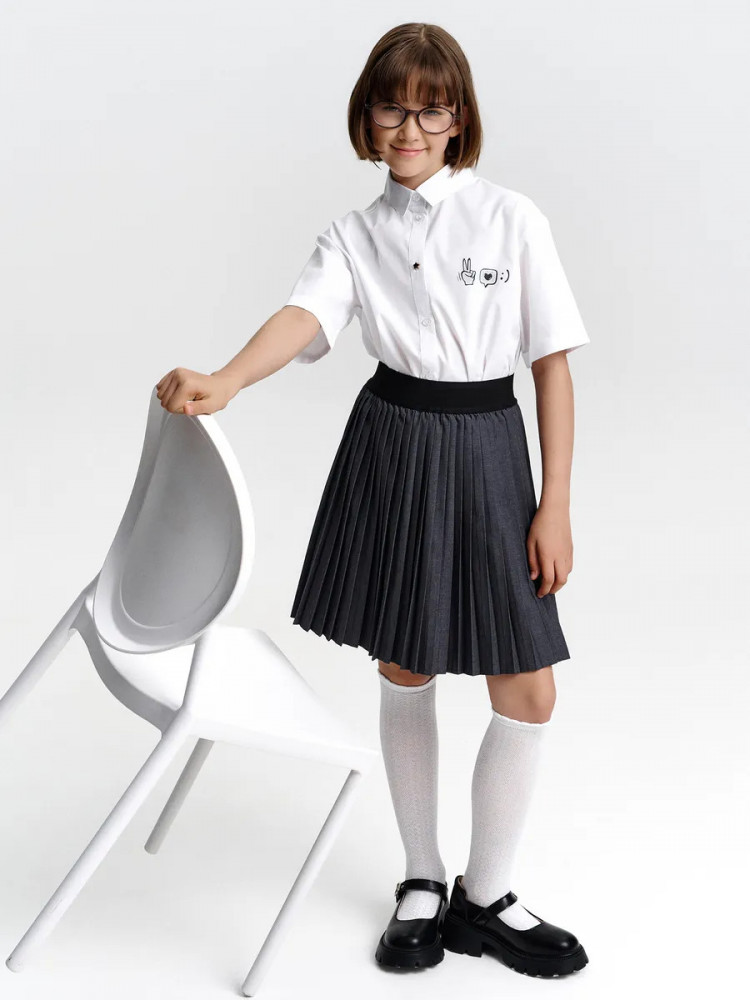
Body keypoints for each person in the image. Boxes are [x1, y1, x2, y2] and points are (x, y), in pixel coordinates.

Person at [156, 21, 590, 981]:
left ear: (458, 118)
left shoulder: (513, 220)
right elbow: (305, 316)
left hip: (489, 448)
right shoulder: (352, 236)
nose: (411, 128)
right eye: (393, 108)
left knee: (526, 684)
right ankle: (422, 881)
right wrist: (227, 379)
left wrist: (554, 502)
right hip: (392, 442)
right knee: (405, 662)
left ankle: (488, 894)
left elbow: (552, 365)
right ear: (368, 117)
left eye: (432, 109)